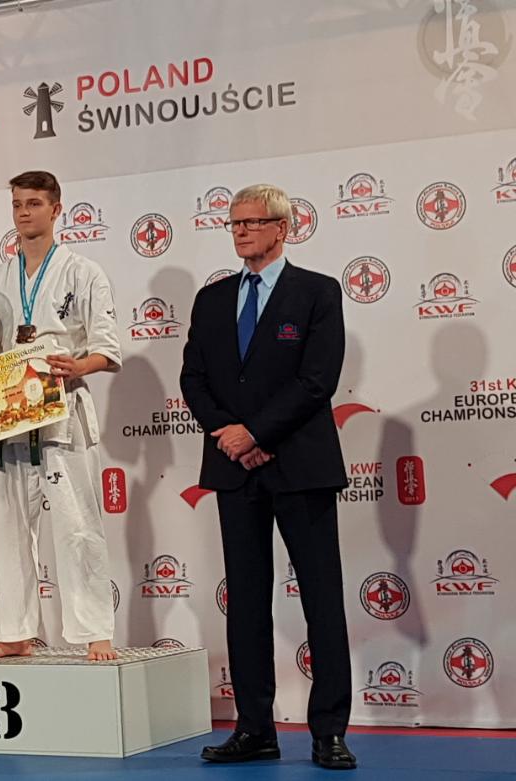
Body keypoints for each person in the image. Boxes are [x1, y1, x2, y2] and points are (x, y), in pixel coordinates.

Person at [179, 184, 355, 770]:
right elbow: (194, 380)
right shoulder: (212, 300)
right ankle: (255, 728)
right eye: (234, 223)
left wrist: (255, 434)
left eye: (253, 223)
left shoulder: (317, 292)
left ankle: (329, 731)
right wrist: (231, 435)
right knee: (248, 602)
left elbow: (317, 380)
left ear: (283, 228)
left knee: (321, 599)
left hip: (301, 467)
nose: (241, 232)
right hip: (235, 470)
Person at [0, 171, 122, 662]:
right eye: (17, 204)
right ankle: (15, 631)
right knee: (8, 527)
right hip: (11, 414)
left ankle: (95, 631)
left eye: (33, 203)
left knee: (78, 525)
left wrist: (79, 366)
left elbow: (107, 350)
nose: (24, 212)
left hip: (61, 410)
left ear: (56, 209)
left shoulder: (84, 273)